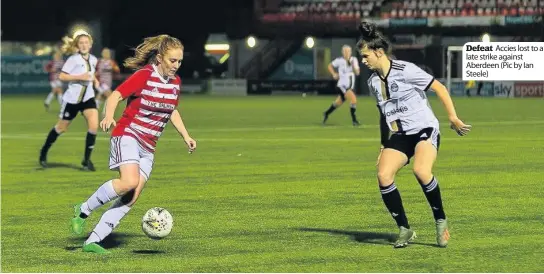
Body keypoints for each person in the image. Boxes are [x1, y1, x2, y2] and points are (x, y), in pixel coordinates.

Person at [69, 34, 196, 254]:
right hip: (128, 133)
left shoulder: (175, 83)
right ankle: (83, 210)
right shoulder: (144, 76)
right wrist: (108, 116)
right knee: (128, 181)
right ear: (159, 58)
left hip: (148, 146)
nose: (176, 66)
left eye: (179, 61)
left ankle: (93, 241)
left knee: (131, 196)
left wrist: (186, 136)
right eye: (172, 61)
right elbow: (115, 95)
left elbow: (172, 110)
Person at [357, 21, 472, 248]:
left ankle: (440, 221)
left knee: (421, 170)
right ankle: (404, 229)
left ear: (379, 52)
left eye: (365, 56)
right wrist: (383, 145)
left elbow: (439, 87)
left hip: (424, 128)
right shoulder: (372, 82)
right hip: (401, 135)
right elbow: (384, 113)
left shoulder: (405, 70)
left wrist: (452, 117)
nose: (363, 61)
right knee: (383, 175)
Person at [39, 30, 100, 171]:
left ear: (90, 44)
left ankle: (86, 160)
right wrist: (80, 77)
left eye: (86, 42)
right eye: (81, 43)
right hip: (72, 100)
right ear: (77, 45)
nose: (84, 45)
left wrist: (95, 80)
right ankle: (43, 151)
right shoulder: (73, 60)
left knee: (93, 126)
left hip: (88, 98)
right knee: (61, 128)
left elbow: (90, 74)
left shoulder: (94, 59)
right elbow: (62, 76)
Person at [322, 45, 361, 126]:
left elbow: (357, 73)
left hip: (349, 86)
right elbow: (330, 66)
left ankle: (326, 113)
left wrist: (353, 65)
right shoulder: (339, 60)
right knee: (353, 100)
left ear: (350, 52)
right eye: (345, 51)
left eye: (348, 51)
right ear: (342, 52)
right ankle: (354, 121)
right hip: (342, 86)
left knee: (338, 103)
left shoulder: (354, 60)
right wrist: (333, 74)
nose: (346, 53)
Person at [95, 47, 121, 115]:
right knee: (110, 96)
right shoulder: (99, 61)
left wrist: (114, 67)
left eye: (107, 52)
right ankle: (104, 112)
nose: (106, 54)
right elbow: (95, 71)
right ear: (102, 53)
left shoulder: (111, 62)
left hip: (108, 82)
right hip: (101, 82)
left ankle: (94, 109)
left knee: (101, 97)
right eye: (104, 52)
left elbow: (117, 70)